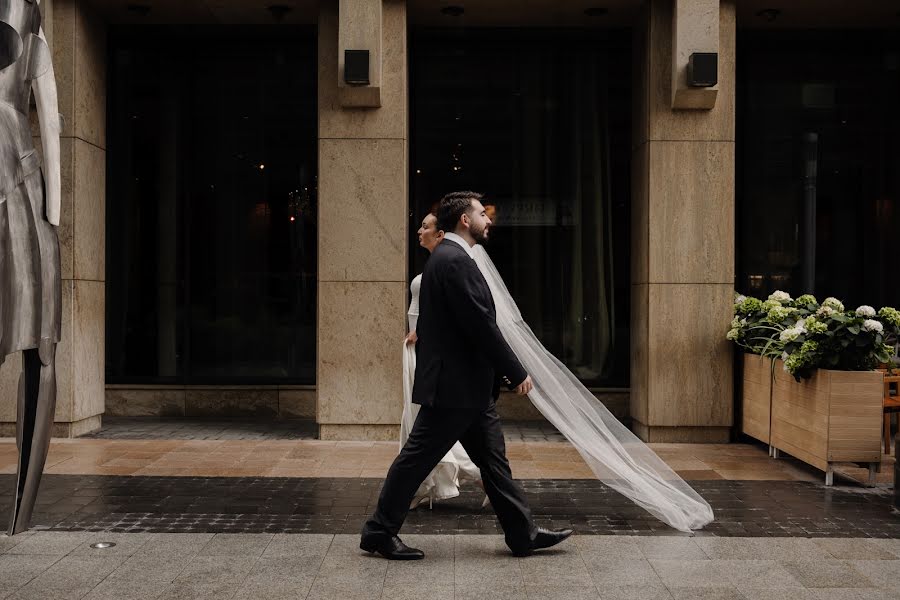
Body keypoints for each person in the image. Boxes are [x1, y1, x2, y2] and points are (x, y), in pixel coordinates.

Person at [360, 191, 572, 560]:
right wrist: (514, 369)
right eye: (481, 214)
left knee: (493, 462)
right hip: (454, 389)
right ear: (463, 220)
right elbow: (480, 324)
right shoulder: (454, 259)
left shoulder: (448, 258)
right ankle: (379, 531)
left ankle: (522, 534)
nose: (488, 220)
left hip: (467, 389)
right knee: (415, 459)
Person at [400, 213, 483, 509]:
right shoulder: (434, 265)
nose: (419, 230)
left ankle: (475, 474)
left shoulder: (447, 266)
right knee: (419, 421)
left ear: (440, 234)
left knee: (428, 426)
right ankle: (435, 481)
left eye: (426, 226)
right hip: (419, 350)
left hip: (432, 355)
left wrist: (421, 332)